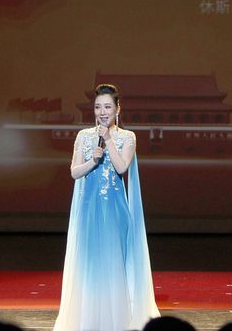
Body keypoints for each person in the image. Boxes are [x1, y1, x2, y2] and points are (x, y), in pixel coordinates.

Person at [53, 83, 160, 331]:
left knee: (114, 264)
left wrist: (109, 140)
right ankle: (90, 319)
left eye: (108, 107)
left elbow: (122, 167)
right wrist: (93, 161)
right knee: (90, 264)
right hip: (88, 210)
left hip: (115, 209)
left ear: (117, 109)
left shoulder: (128, 137)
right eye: (98, 107)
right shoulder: (83, 136)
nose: (102, 112)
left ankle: (117, 321)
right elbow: (74, 172)